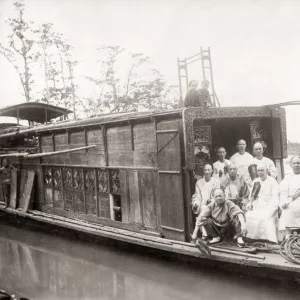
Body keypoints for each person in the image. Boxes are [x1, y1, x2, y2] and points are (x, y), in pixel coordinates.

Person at [245, 163, 279, 243]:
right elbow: (252, 197)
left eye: (262, 170)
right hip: (257, 205)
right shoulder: (256, 181)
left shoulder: (272, 181)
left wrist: (270, 209)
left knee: (264, 218)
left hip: (269, 206)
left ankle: (267, 239)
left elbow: (275, 197)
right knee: (248, 216)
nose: (260, 172)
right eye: (258, 170)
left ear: (266, 171)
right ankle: (252, 238)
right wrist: (250, 203)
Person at [278, 156, 300, 239]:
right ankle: (288, 235)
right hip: (291, 202)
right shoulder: (287, 177)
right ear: (291, 165)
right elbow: (283, 192)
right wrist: (283, 202)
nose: (296, 165)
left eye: (298, 163)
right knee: (287, 209)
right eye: (294, 163)